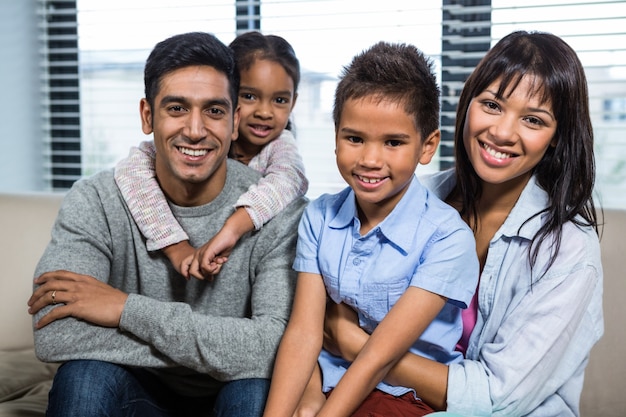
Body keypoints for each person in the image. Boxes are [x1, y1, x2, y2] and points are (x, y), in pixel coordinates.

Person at [320, 30, 603, 416]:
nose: (502, 132)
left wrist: (357, 346)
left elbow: (497, 398)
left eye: (533, 120)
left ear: (556, 138)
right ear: (467, 104)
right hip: (387, 397)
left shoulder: (569, 250)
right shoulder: (416, 198)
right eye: (491, 105)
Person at [27, 31, 308, 417]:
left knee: (257, 391)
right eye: (177, 108)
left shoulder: (278, 211)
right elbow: (55, 332)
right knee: (83, 378)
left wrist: (124, 309)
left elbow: (275, 347)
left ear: (234, 119)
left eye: (213, 110)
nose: (195, 130)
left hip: (233, 394)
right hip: (136, 389)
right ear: (148, 116)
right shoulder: (96, 199)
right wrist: (219, 349)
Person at [262, 42, 479, 417]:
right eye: (355, 138)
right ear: (335, 137)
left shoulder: (448, 237)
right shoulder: (320, 217)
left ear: (427, 146)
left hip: (402, 393)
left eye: (393, 142)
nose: (370, 159)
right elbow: (303, 334)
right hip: (330, 377)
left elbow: (379, 357)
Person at [114, 31, 308, 280]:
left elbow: (289, 180)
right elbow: (132, 170)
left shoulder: (281, 146)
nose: (264, 112)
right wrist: (177, 248)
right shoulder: (200, 140)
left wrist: (234, 227)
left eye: (280, 100)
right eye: (249, 96)